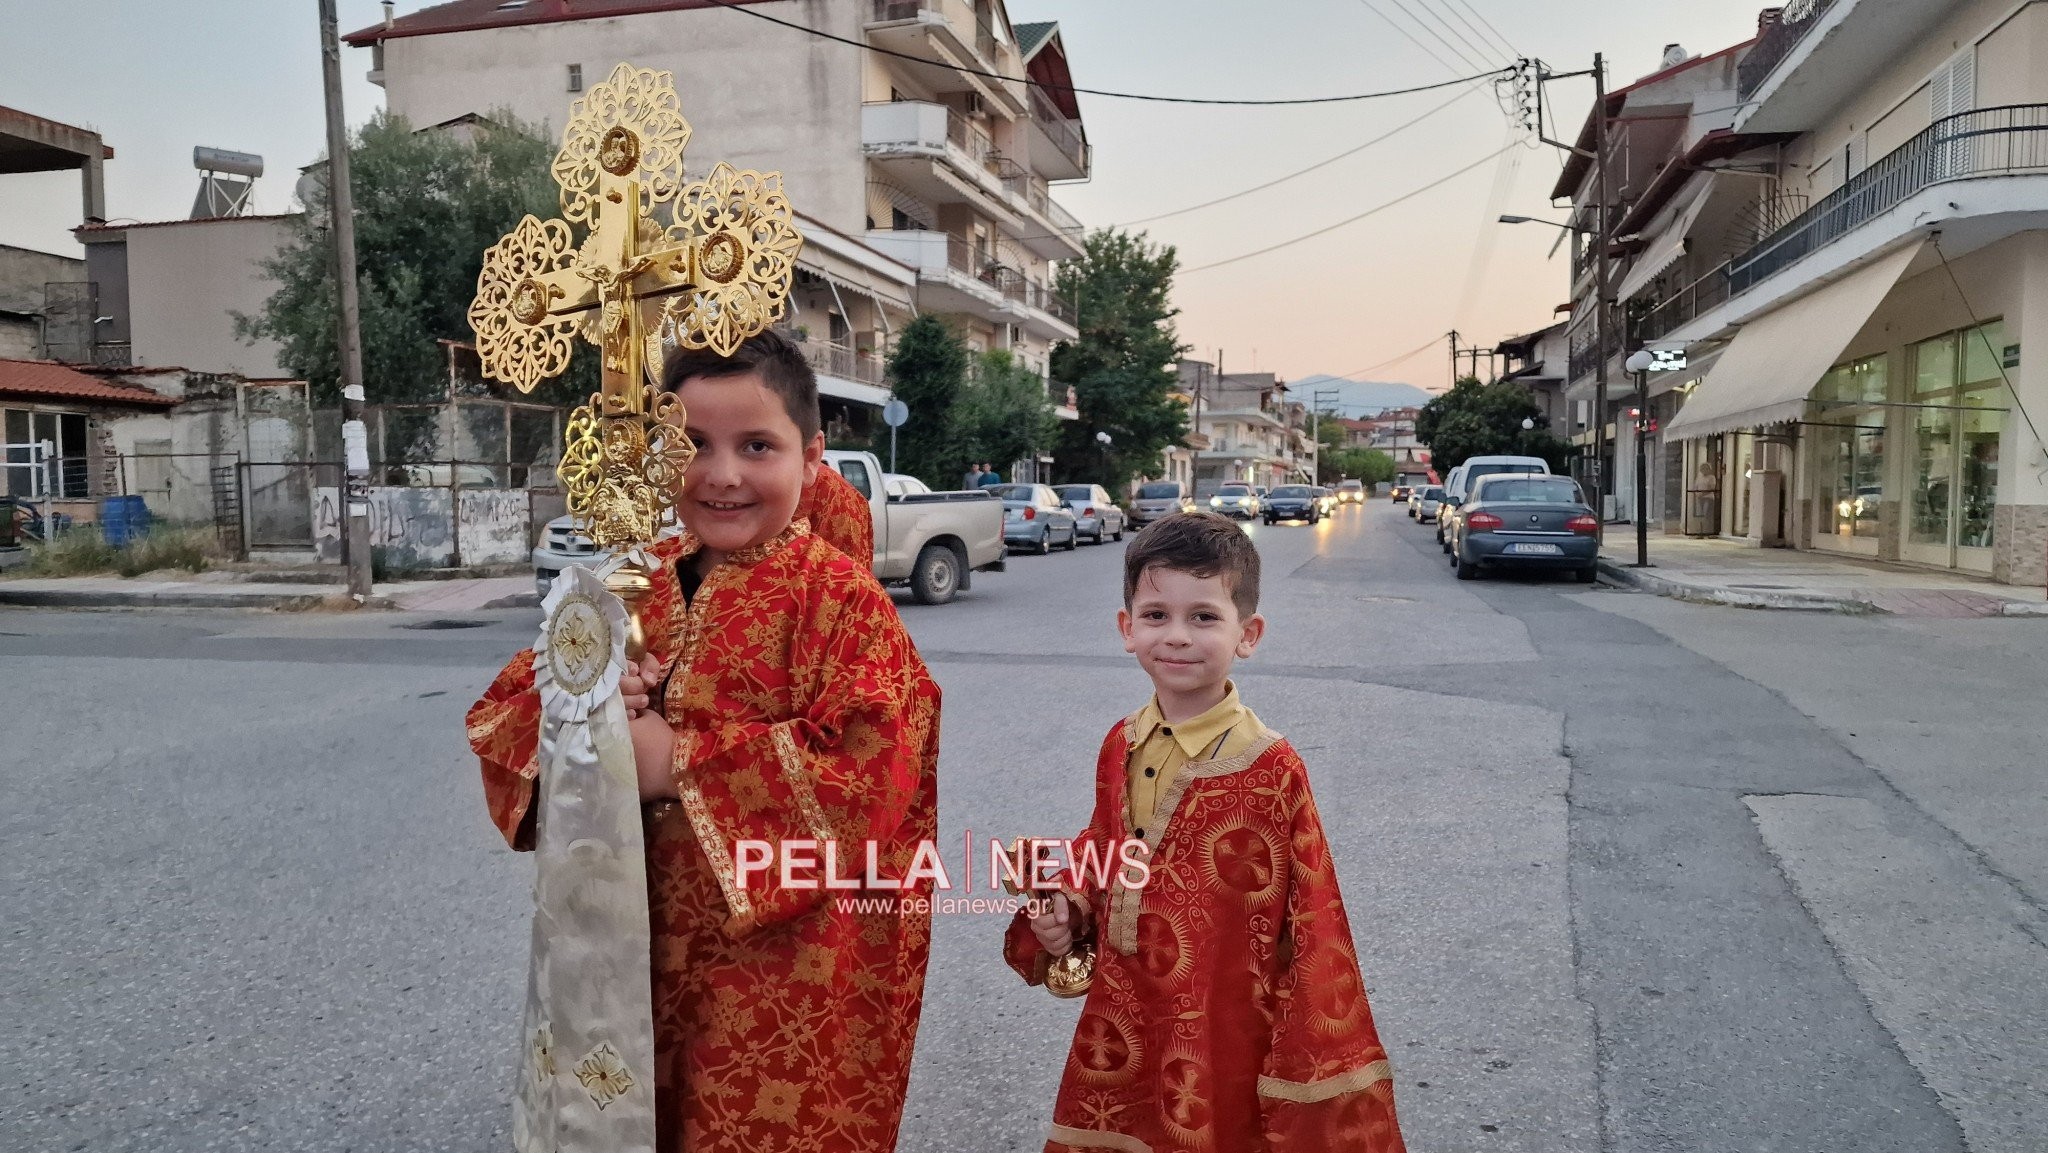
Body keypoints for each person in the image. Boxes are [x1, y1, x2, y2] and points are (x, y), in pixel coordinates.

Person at [468, 329, 940, 1153]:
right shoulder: (633, 578)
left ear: (812, 453)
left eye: (757, 445)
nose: (722, 474)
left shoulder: (842, 602)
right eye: (692, 445)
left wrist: (673, 761)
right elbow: (504, 714)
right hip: (630, 944)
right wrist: (587, 713)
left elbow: (873, 771)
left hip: (778, 974)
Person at [1003, 512, 1405, 1152]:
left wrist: (1305, 1047)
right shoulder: (1121, 741)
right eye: (1157, 615)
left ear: (1248, 634)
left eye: (1205, 617)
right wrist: (1069, 906)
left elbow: (1314, 917)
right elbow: (1105, 845)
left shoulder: (1273, 768)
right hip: (1124, 1000)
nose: (1178, 636)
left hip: (1223, 1016)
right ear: (1125, 627)